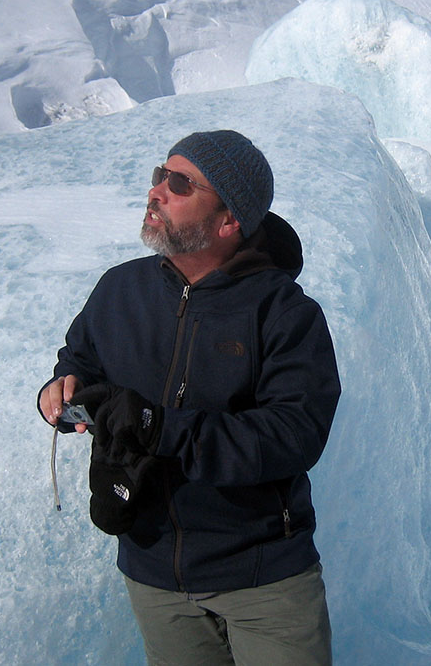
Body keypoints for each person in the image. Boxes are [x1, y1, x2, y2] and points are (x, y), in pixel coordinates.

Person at [38, 130, 341, 665]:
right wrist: (60, 391)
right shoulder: (119, 290)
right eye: (160, 174)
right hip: (154, 576)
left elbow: (293, 435)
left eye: (180, 184)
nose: (157, 191)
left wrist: (162, 428)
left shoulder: (285, 315)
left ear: (229, 220)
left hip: (264, 581)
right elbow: (80, 359)